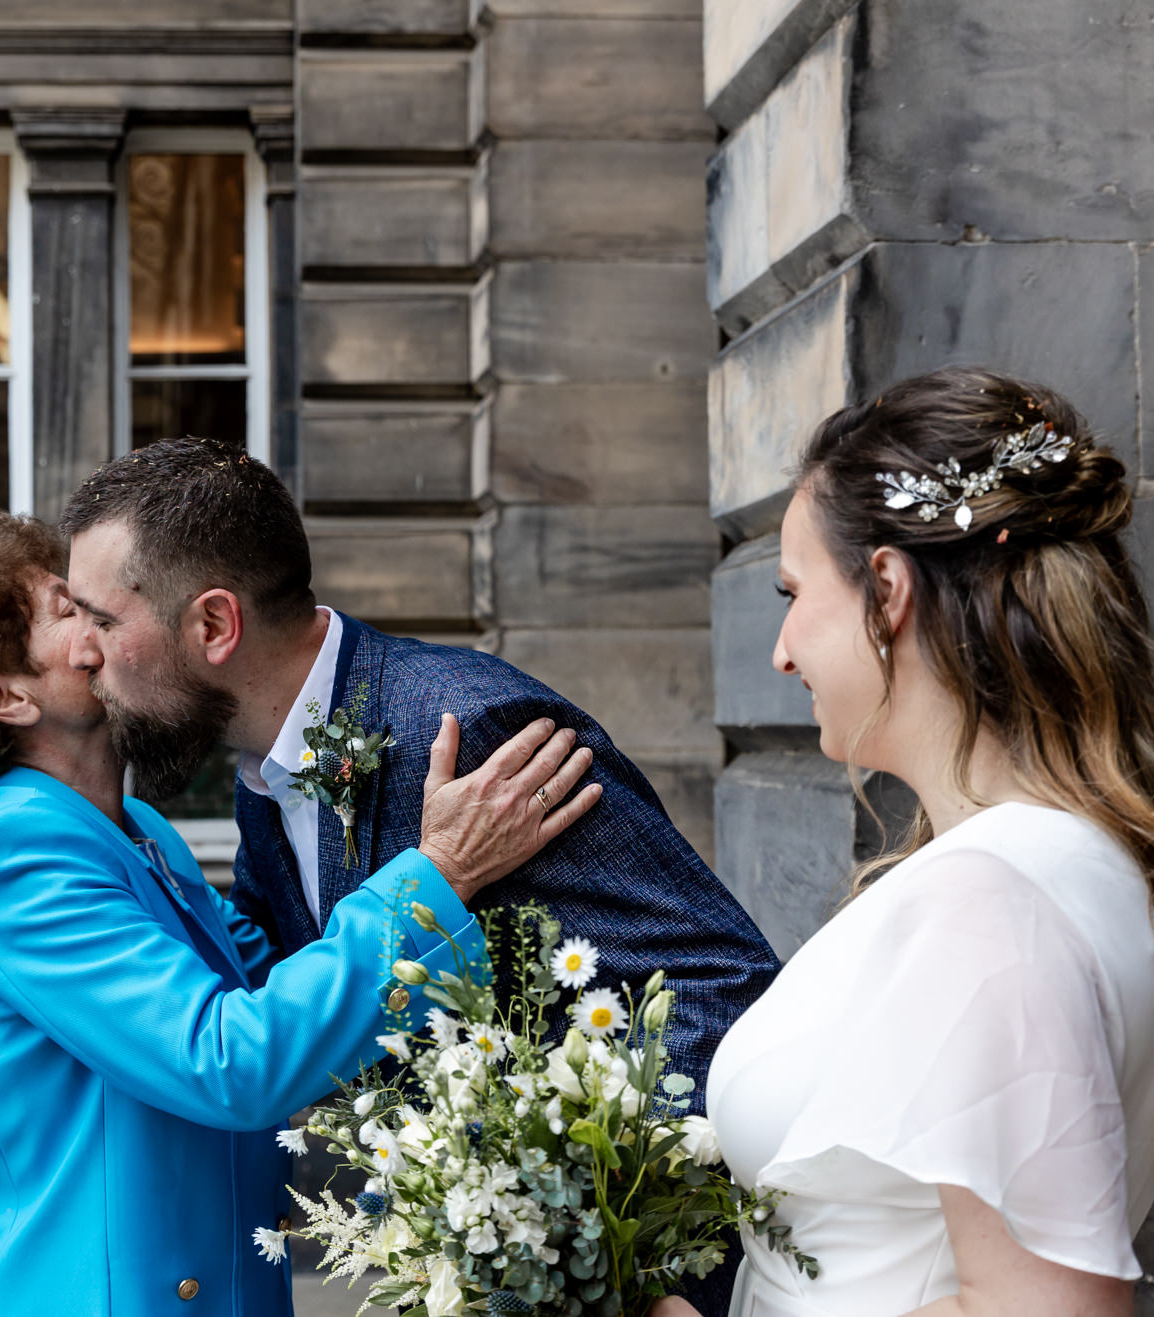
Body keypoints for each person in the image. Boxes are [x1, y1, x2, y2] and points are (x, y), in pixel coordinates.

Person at [0, 508, 601, 1316]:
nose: (103, 625)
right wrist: (441, 871)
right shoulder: (10, 853)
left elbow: (280, 983)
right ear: (4, 694)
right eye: (70, 609)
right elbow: (228, 1060)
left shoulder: (135, 830)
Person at [648, 368, 1154, 1317]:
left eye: (793, 591)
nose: (780, 650)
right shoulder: (1048, 863)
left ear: (886, 590)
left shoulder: (997, 898)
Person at [59, 439, 780, 1100]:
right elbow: (286, 991)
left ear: (214, 626)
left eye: (102, 621)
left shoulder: (470, 729)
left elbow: (723, 986)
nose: (81, 652)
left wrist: (560, 1165)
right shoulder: (262, 770)